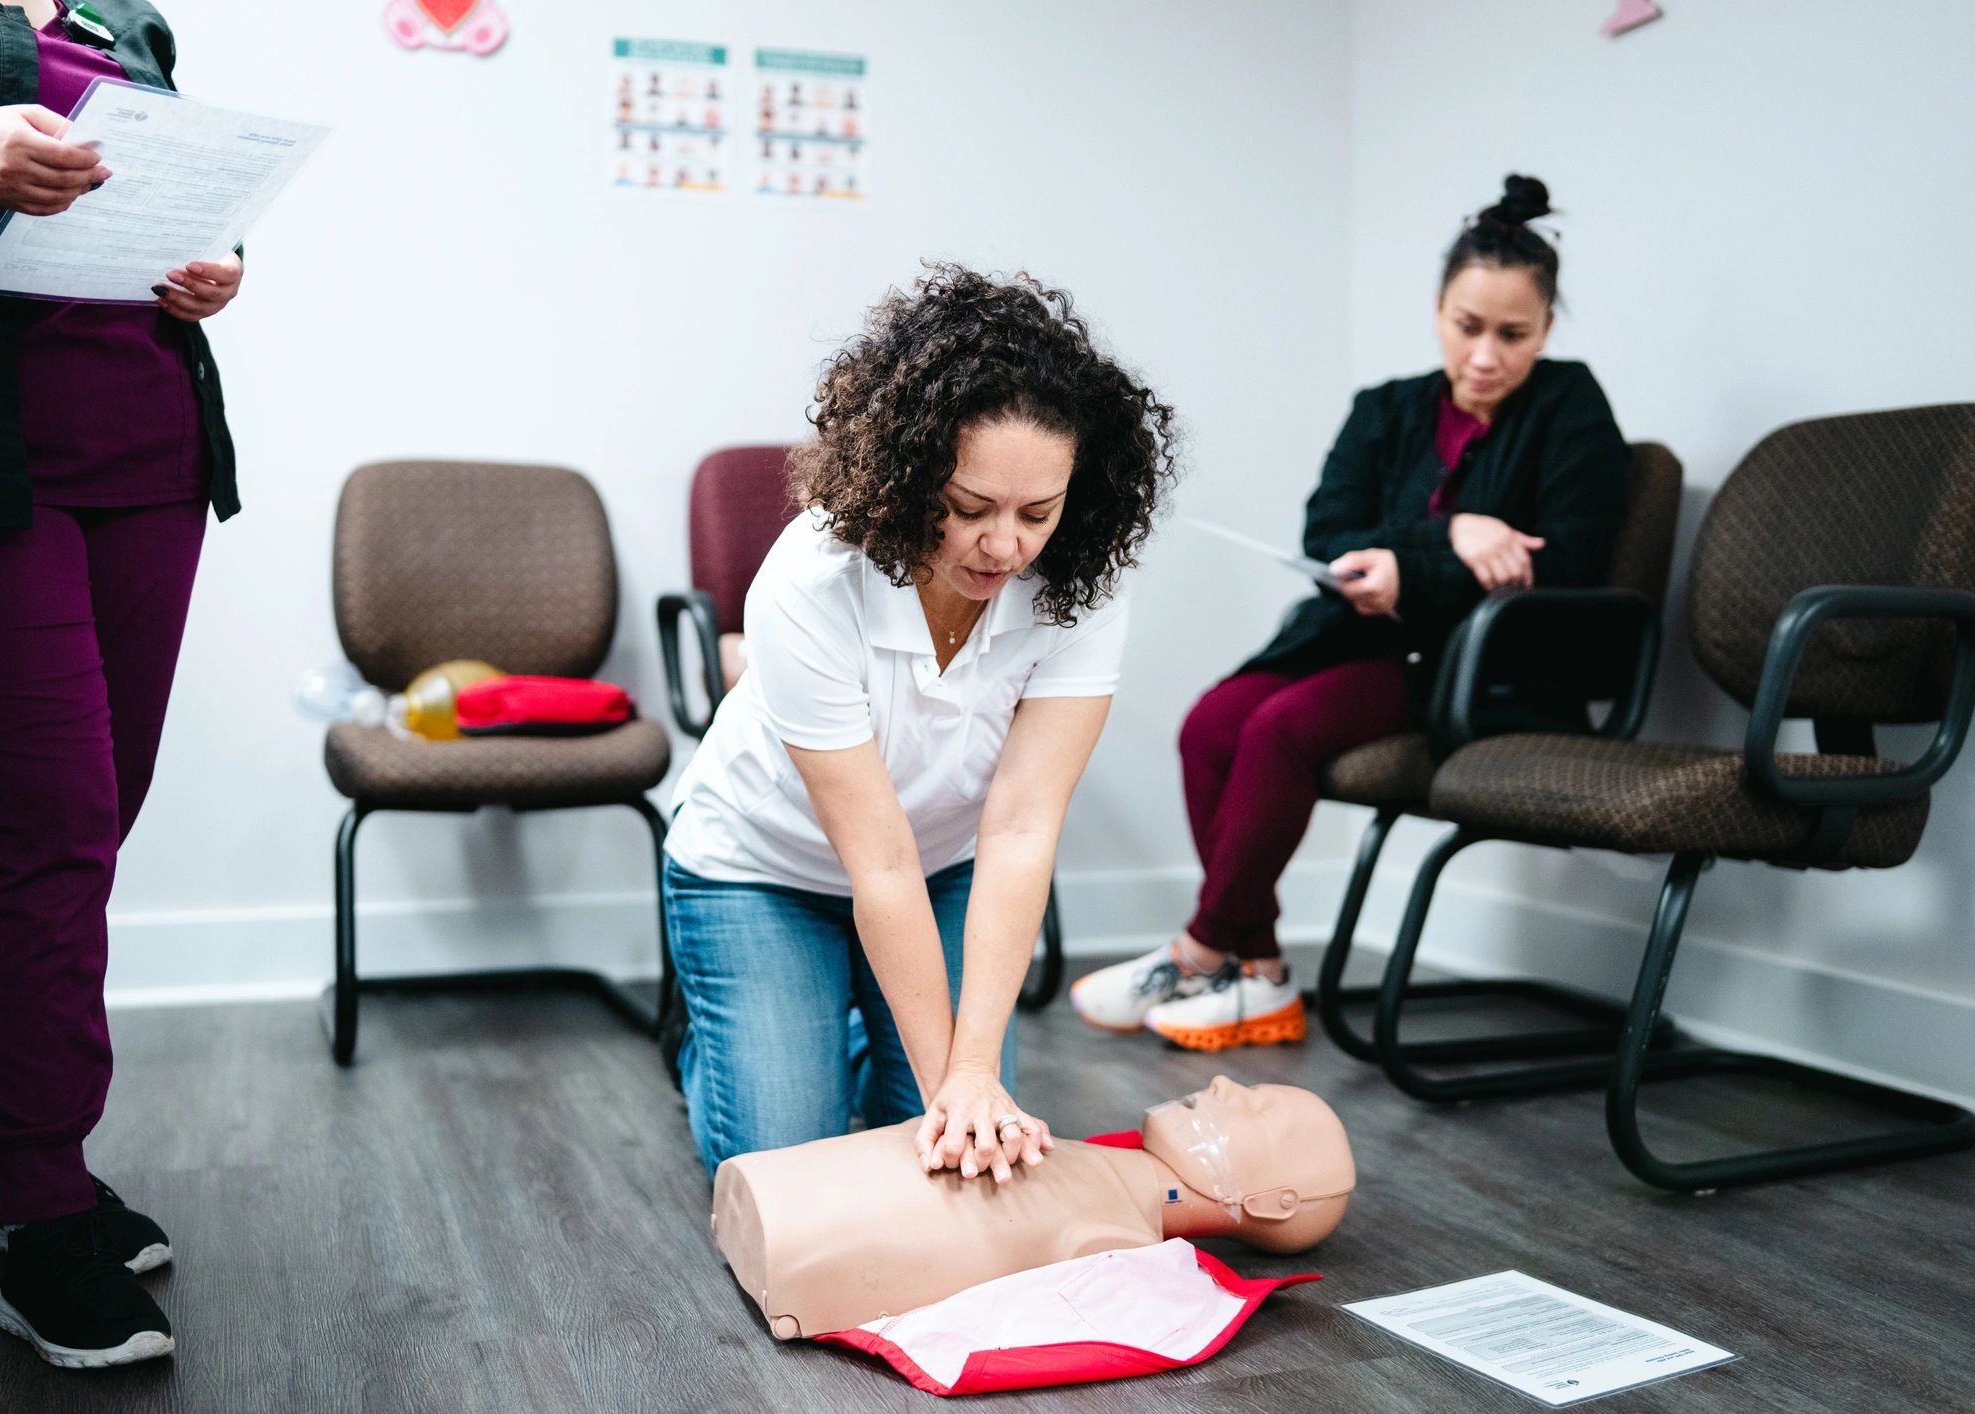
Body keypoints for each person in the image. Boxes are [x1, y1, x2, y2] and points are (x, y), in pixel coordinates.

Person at [1072, 175, 1628, 1051]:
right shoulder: (1385, 408)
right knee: (1209, 725)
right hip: (1354, 637)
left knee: (1277, 730)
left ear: (1546, 329)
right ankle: (1260, 974)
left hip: (1477, 666)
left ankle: (1200, 951)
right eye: (1467, 326)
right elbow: (1328, 532)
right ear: (1437, 312)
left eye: (1512, 334)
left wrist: (1412, 563)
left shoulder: (1570, 408)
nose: (1485, 355)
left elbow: (1563, 562)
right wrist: (1453, 534)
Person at [663, 264, 1176, 1182]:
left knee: (949, 1147)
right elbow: (878, 861)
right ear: (907, 480)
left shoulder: (1081, 582)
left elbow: (1020, 827)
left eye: (1037, 512)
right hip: (759, 869)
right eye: (969, 509)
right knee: (794, 1164)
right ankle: (721, 1039)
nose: (1005, 545)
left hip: (942, 866)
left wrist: (968, 1078)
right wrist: (957, 1089)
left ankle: (847, 1035)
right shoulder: (811, 580)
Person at [0, 0, 245, 1368]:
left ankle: (30, 1178)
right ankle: (47, 1195)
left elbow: (182, 203)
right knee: (46, 823)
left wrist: (216, 264)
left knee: (97, 812)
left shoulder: (128, 25)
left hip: (152, 462)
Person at [713, 1076, 1355, 1338]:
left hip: (798, 1238)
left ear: (1273, 1203)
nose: (1222, 1082)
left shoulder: (1127, 1235)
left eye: (1259, 1109)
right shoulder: (1102, 1173)